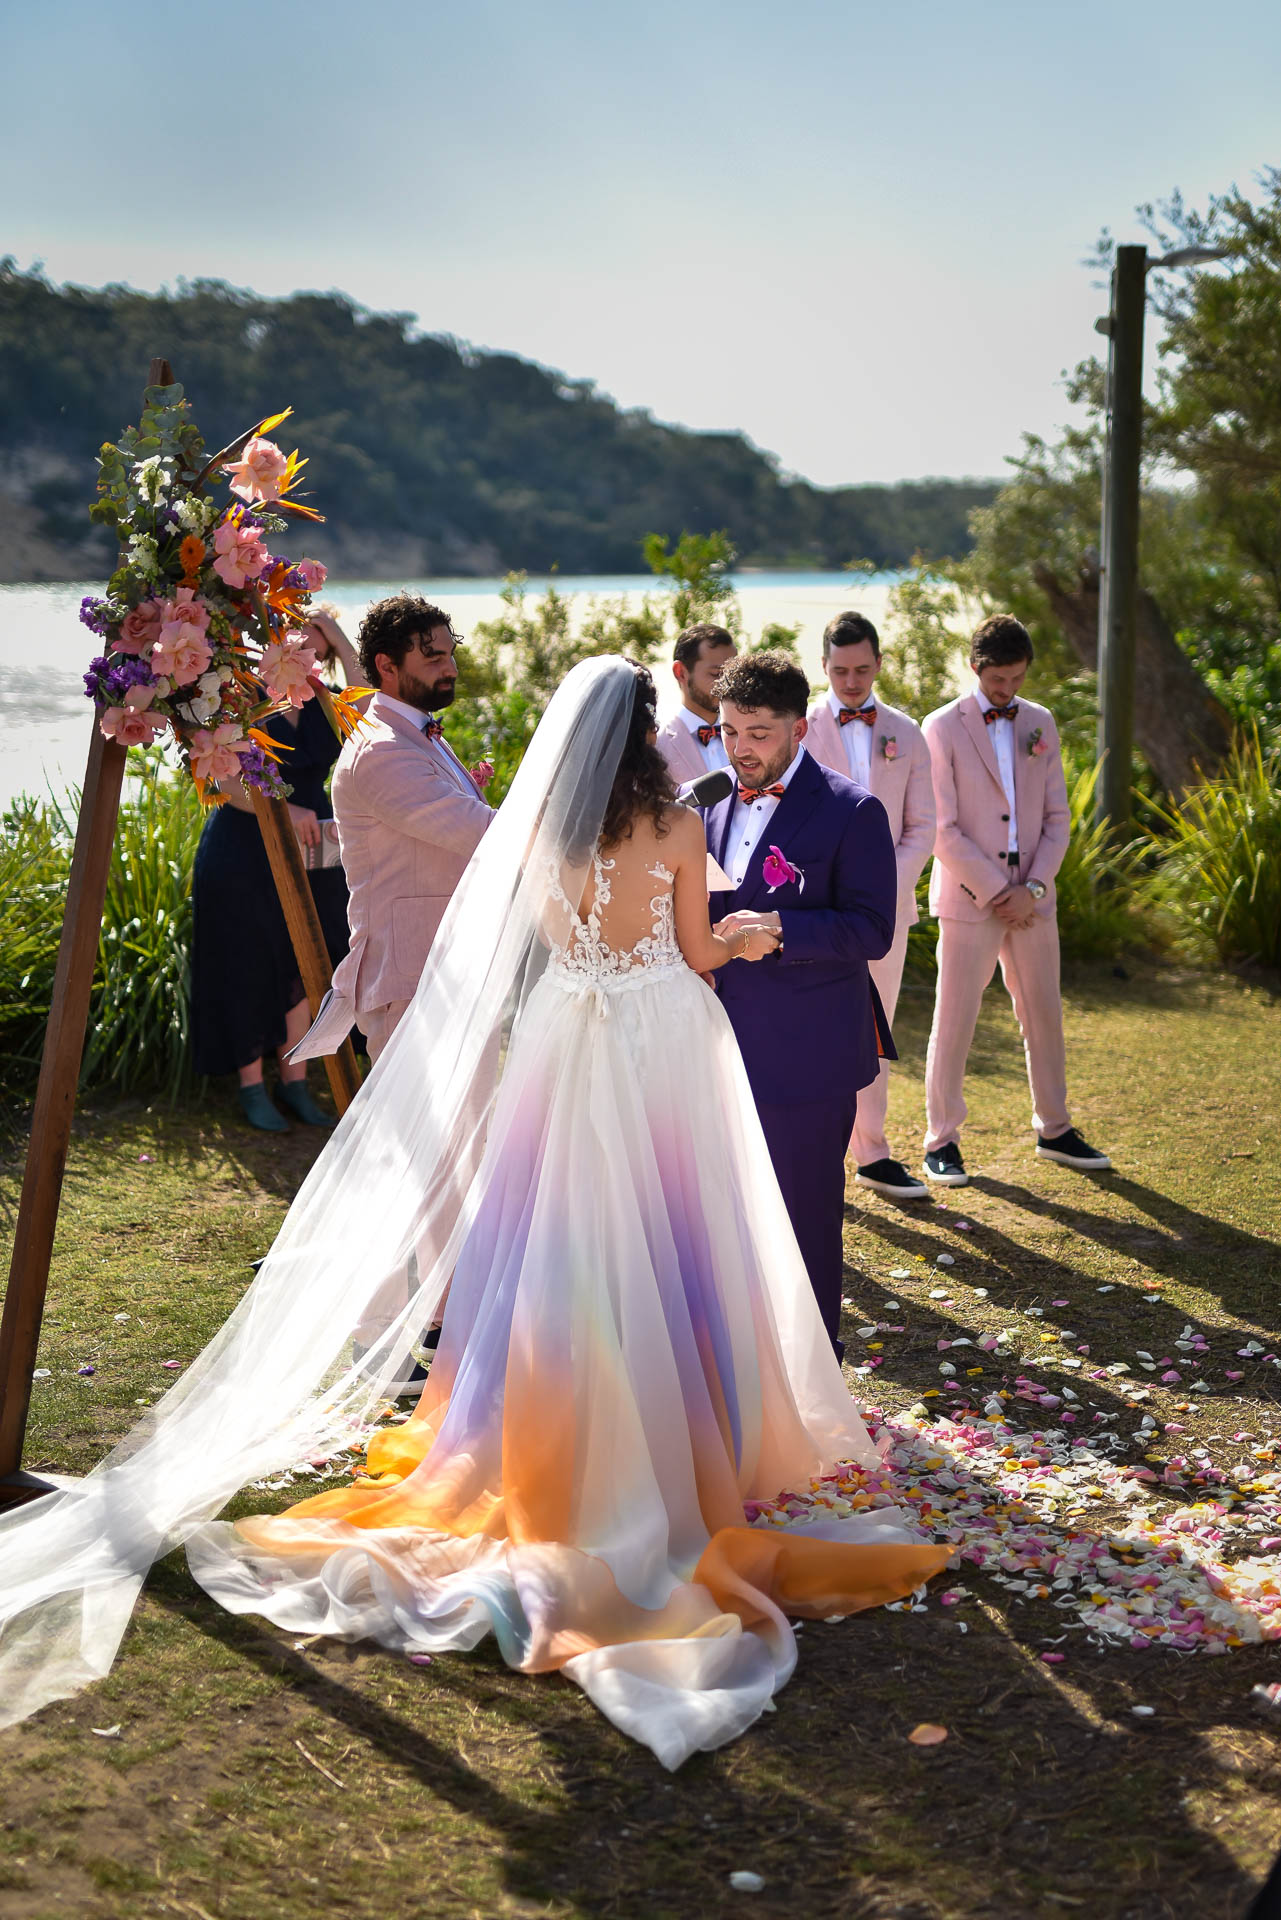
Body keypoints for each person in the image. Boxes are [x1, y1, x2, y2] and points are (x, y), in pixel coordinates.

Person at [0, 656, 948, 1770]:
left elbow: (549, 944)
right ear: (646, 733)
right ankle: (676, 1435)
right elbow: (694, 951)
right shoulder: (679, 823)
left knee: (559, 1239)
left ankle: (546, 1424)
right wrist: (745, 938)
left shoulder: (541, 831)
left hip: (567, 1039)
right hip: (659, 1041)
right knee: (674, 1234)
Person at [700, 651, 899, 1357]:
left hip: (807, 1055)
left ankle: (814, 1373)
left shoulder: (854, 811)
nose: (740, 749)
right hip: (712, 1048)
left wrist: (781, 928)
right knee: (727, 1218)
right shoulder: (706, 801)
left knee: (803, 1219)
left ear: (800, 727)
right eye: (729, 731)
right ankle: (743, 1365)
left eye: (758, 733)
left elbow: (872, 929)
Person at [920, 613, 1112, 1185]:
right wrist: (998, 890)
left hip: (1033, 901)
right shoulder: (940, 726)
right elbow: (941, 827)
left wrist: (1032, 888)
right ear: (976, 668)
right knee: (955, 1019)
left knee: (1044, 1015)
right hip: (970, 899)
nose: (1008, 688)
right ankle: (941, 1141)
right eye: (998, 679)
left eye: (1017, 678)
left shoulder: (1040, 722)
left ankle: (1055, 1128)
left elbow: (1058, 817)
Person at [189, 607, 367, 1130]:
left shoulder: (328, 702)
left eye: (317, 647)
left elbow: (371, 702)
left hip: (313, 850)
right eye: (297, 640)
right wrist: (283, 811)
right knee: (246, 960)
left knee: (309, 959)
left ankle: (295, 1081)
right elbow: (222, 780)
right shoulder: (242, 697)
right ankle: (251, 1088)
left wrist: (338, 633)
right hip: (244, 847)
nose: (305, 652)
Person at [325, 594, 493, 1062]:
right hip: (410, 978)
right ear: (387, 666)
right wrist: (576, 820)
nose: (451, 669)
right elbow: (480, 832)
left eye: (451, 655)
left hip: (451, 967)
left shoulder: (417, 734)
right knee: (418, 1114)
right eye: (434, 658)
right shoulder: (381, 751)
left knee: (473, 1111)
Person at [805, 612, 936, 1200]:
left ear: (879, 663)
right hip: (819, 910)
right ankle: (816, 1154)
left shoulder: (908, 731)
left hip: (887, 911)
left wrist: (882, 887)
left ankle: (874, 1152)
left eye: (861, 669)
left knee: (875, 1030)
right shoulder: (801, 727)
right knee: (815, 1029)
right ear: (824, 667)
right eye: (840, 671)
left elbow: (923, 825)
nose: (851, 681)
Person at [654, 622, 737, 784]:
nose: (728, 684)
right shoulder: (657, 745)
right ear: (681, 673)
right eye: (717, 674)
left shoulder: (750, 735)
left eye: (733, 674)